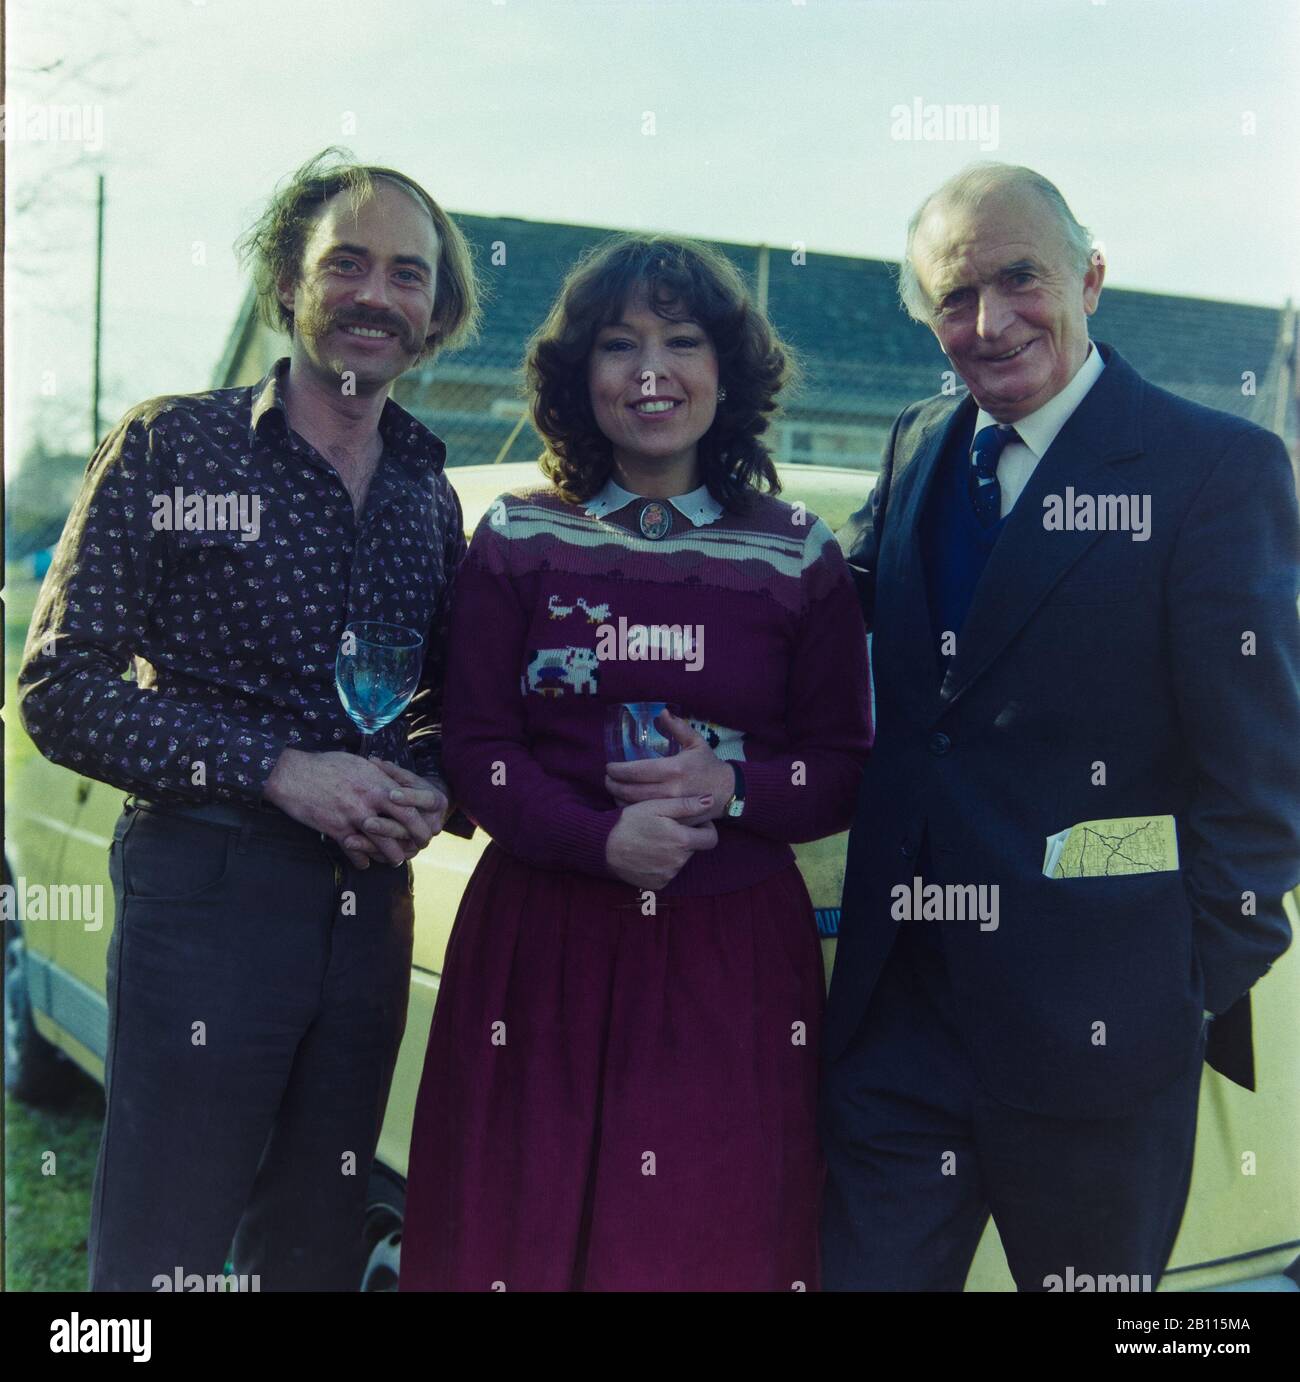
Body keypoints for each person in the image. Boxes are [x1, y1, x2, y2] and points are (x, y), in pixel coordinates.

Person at [822, 163, 1300, 1291]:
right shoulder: (918, 440)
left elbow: (1262, 776)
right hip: (900, 1024)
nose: (989, 323)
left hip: (1104, 1038)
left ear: (1090, 277)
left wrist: (1177, 983)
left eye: (1019, 279)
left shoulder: (1214, 469)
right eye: (954, 296)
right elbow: (823, 613)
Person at [17, 148, 481, 1290]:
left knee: (314, 1245)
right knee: (161, 1251)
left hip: (369, 908)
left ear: (435, 314)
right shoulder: (174, 444)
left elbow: (438, 704)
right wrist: (277, 768)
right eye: (346, 262)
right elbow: (60, 686)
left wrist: (428, 783)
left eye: (408, 274)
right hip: (207, 894)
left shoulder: (428, 492)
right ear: (286, 281)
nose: (376, 294)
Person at [399, 234, 872, 1291]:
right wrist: (598, 838)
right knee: (517, 1236)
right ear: (581, 376)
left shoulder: (798, 551)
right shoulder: (519, 535)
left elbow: (843, 765)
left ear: (726, 369)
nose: (650, 370)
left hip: (731, 961)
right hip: (542, 943)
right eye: (618, 344)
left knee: (695, 1247)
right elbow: (475, 744)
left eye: (682, 340)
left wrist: (732, 787)